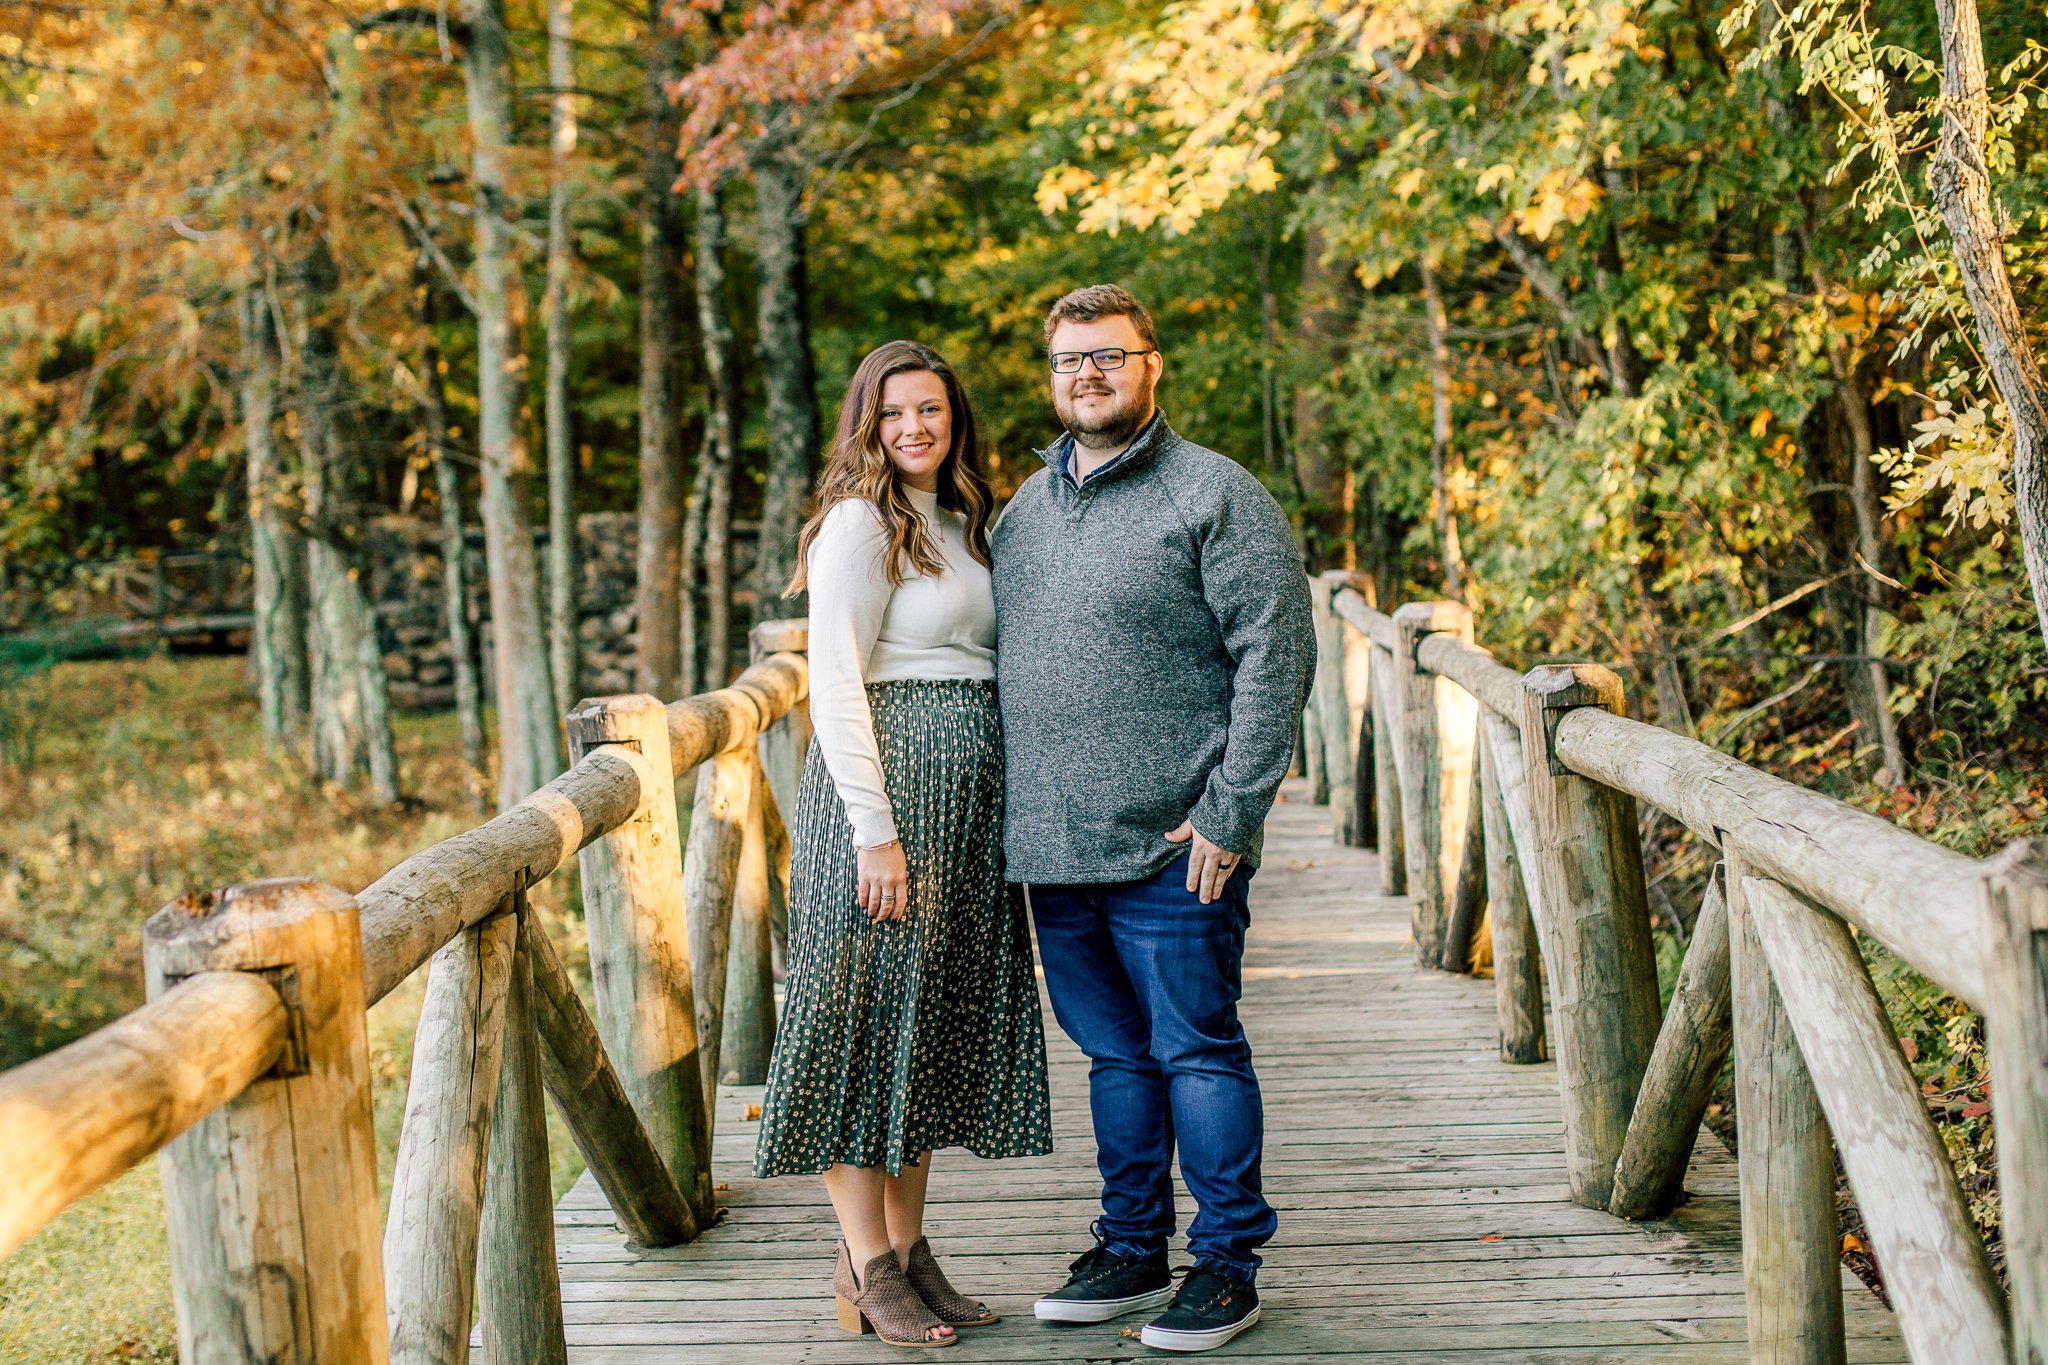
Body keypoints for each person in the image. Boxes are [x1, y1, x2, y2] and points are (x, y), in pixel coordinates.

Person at [991, 284, 1316, 1353]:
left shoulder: (1212, 493)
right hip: (1053, 844)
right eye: (1068, 360)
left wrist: (1231, 809)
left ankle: (1226, 1265)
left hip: (1181, 847)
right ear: (1050, 374)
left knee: (1197, 1051)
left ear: (1149, 365)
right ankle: (1130, 1246)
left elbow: (1276, 656)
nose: (1086, 374)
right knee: (1114, 1059)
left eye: (1108, 356)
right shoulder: (1021, 513)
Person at [754, 339, 1052, 1350]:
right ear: (866, 425)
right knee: (863, 1026)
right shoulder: (856, 523)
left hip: (964, 811)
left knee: (921, 1029)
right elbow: (834, 682)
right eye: (892, 415)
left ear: (953, 418)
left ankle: (912, 1252)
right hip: (882, 806)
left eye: (929, 410)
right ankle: (866, 1265)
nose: (912, 429)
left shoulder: (965, 521)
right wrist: (875, 836)